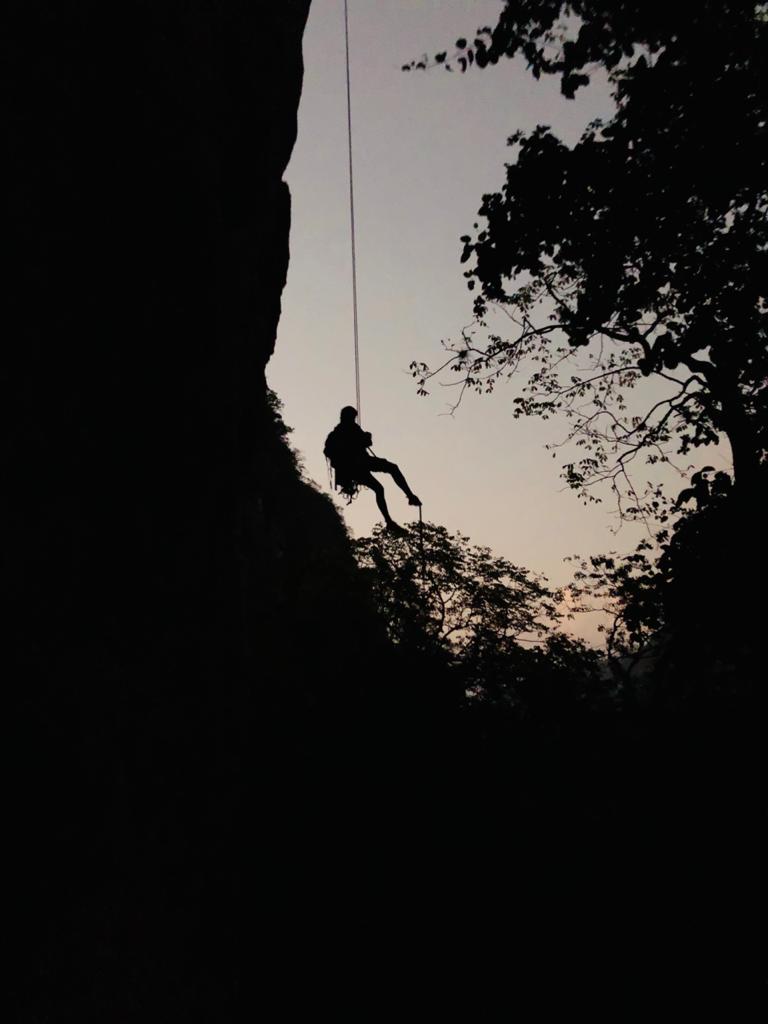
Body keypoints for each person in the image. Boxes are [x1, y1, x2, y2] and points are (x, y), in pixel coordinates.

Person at [324, 406, 421, 530]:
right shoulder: (344, 431)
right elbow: (363, 443)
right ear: (348, 417)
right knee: (391, 469)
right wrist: (365, 438)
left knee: (380, 488)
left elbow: (362, 443)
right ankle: (409, 497)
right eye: (353, 417)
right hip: (359, 464)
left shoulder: (340, 432)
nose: (354, 420)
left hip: (357, 467)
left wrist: (364, 439)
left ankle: (391, 519)